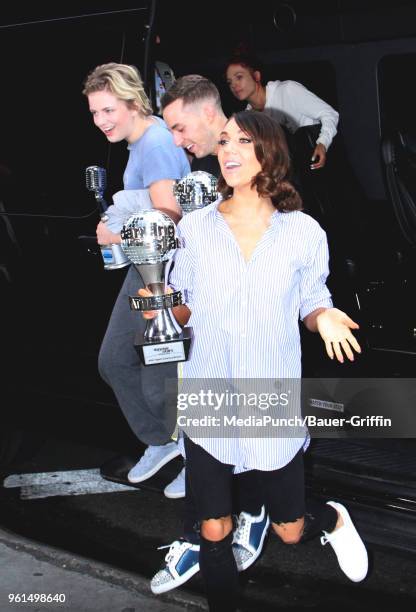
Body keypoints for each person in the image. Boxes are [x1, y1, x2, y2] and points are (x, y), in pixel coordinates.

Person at [141, 110, 368, 612]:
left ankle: (331, 520)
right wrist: (159, 305)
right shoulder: (197, 229)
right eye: (222, 141)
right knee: (213, 527)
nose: (228, 150)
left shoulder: (303, 232)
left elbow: (313, 297)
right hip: (211, 387)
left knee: (289, 532)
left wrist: (324, 316)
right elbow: (186, 301)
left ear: (270, 153)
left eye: (242, 140)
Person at [146, 76, 270, 596]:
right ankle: (207, 531)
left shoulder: (255, 159)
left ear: (208, 114)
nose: (175, 139)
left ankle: (249, 516)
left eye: (178, 127)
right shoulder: (209, 173)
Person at [82, 62, 190, 498]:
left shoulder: (157, 143)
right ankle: (163, 442)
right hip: (146, 265)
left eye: (109, 110)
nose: (101, 120)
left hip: (162, 269)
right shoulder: (143, 142)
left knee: (158, 369)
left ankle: (191, 450)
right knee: (116, 361)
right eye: (94, 113)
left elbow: (170, 215)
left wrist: (118, 229)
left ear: (132, 103)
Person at [225, 50, 339, 169]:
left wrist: (322, 143)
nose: (234, 85)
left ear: (256, 76)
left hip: (315, 164)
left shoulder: (287, 90)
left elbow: (330, 114)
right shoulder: (248, 118)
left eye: (239, 77)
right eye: (229, 82)